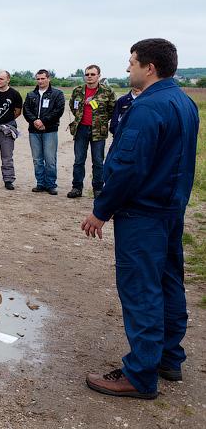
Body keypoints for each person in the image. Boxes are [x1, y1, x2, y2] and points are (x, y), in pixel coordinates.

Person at [82, 39, 198, 400]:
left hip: (144, 213)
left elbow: (128, 166)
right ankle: (167, 358)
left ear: (150, 67)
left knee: (141, 290)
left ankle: (140, 374)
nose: (128, 67)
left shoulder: (148, 107)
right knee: (167, 282)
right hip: (170, 210)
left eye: (132, 62)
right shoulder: (185, 102)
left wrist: (101, 210)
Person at [67, 65, 116, 198]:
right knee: (79, 161)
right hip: (81, 129)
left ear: (99, 76)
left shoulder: (107, 91)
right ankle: (77, 188)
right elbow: (73, 106)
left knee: (98, 161)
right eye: (87, 74)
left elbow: (112, 110)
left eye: (92, 74)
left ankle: (98, 189)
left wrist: (101, 120)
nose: (89, 77)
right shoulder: (77, 90)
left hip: (98, 130)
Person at [22, 69, 65, 195]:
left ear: (48, 79)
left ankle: (51, 184)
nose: (40, 81)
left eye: (43, 78)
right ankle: (40, 183)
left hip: (50, 131)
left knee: (50, 159)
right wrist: (35, 121)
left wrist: (43, 121)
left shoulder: (57, 94)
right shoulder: (31, 95)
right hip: (34, 131)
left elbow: (58, 111)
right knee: (37, 159)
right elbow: (26, 110)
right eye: (38, 79)